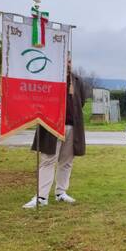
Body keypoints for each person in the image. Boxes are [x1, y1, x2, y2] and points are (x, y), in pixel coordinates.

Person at [23, 57, 87, 208]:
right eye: (65, 60)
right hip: (52, 126)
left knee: (66, 162)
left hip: (72, 126)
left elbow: (81, 101)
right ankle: (41, 197)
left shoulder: (77, 80)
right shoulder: (49, 79)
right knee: (48, 160)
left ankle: (61, 192)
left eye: (70, 61)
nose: (68, 64)